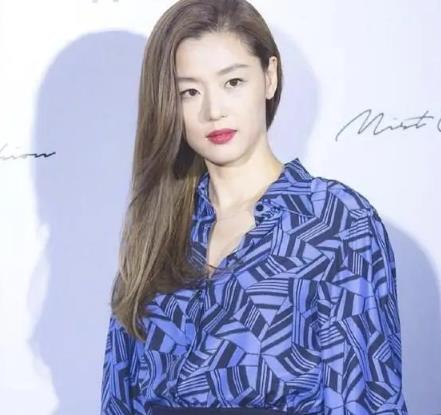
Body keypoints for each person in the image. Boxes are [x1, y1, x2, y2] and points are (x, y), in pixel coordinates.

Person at [100, 0, 408, 414]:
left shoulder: (334, 221)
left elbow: (365, 398)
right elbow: (120, 396)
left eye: (233, 82)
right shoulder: (157, 229)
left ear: (269, 77)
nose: (213, 111)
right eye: (190, 92)